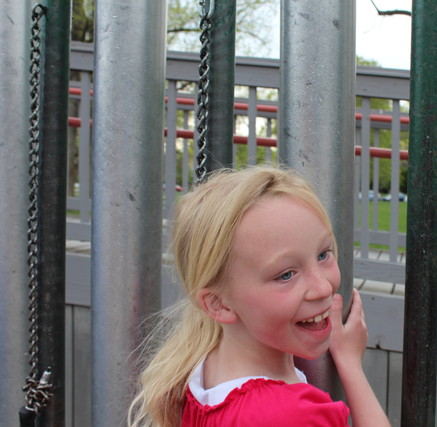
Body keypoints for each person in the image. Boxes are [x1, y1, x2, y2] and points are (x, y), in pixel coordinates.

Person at [128, 166, 391, 427]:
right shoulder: (291, 416)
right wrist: (350, 364)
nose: (323, 288)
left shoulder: (201, 374)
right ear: (218, 304)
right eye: (286, 275)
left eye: (323, 254)